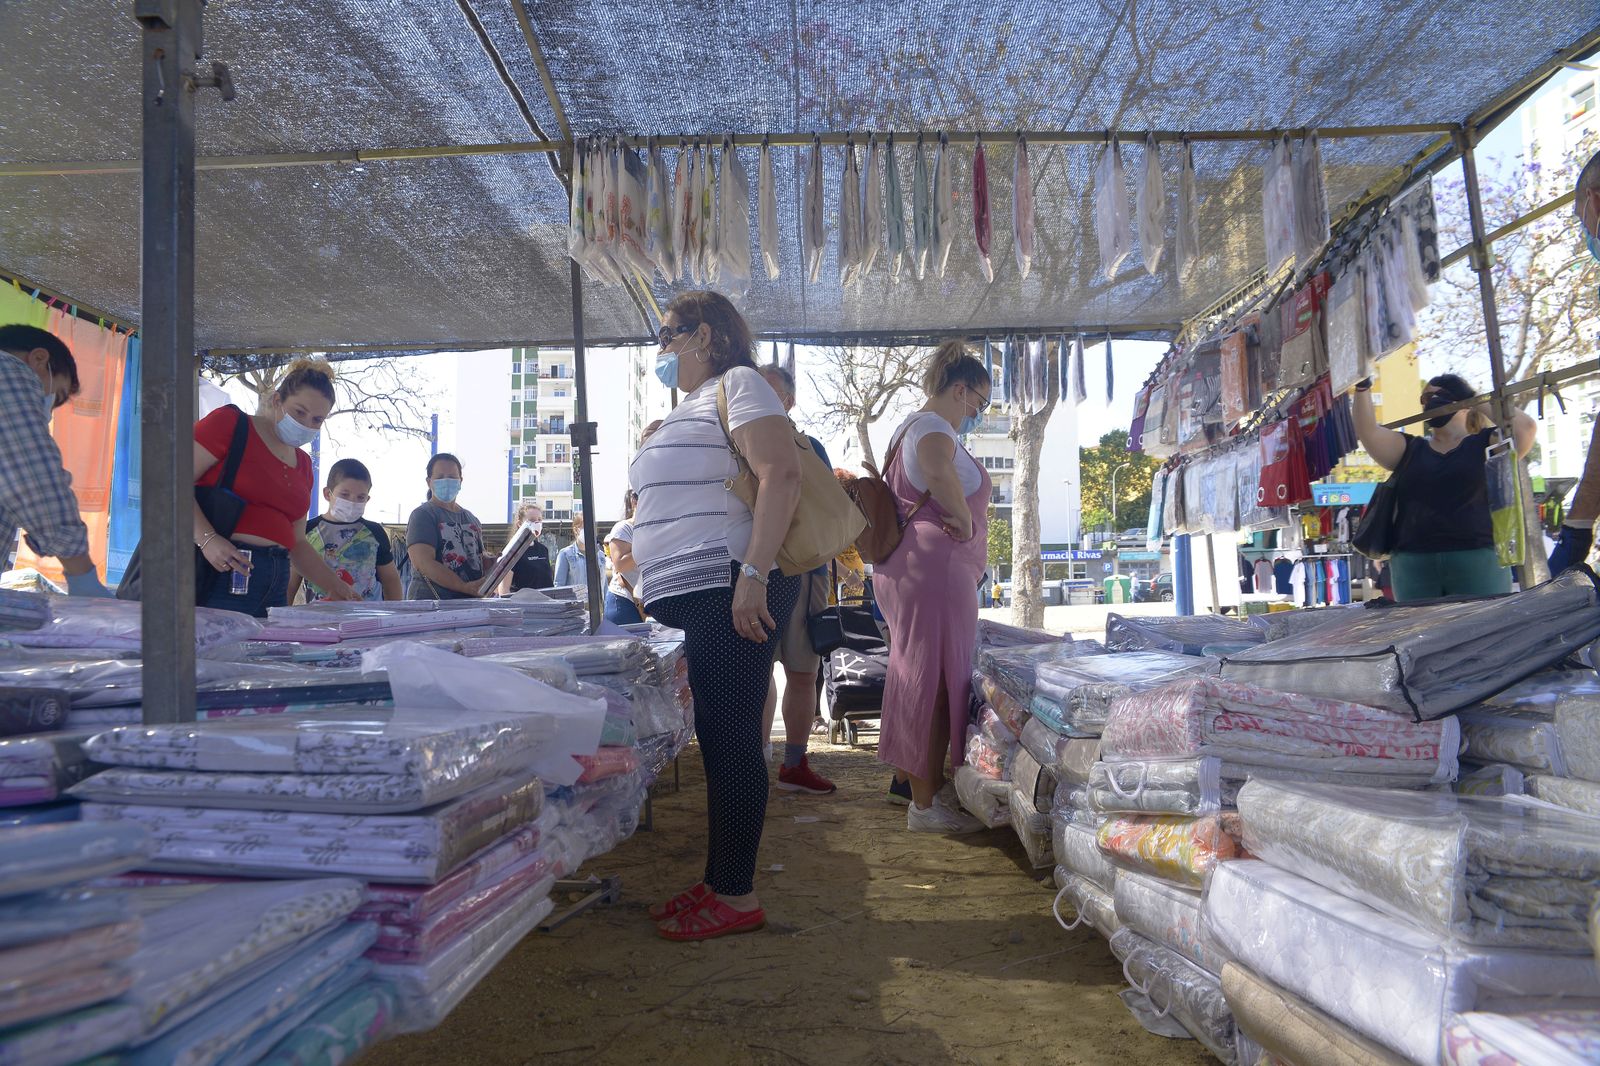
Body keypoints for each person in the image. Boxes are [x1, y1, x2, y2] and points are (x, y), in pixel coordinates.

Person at [628, 290, 801, 941]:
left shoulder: (740, 384)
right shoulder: (690, 406)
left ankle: (736, 893)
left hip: (727, 585)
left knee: (731, 740)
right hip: (694, 593)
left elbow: (781, 474)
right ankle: (719, 879)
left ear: (704, 335)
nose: (660, 349)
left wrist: (752, 575)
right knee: (717, 739)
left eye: (667, 334)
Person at [875, 341, 993, 831]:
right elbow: (938, 466)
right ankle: (925, 805)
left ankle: (920, 791)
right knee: (935, 683)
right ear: (960, 390)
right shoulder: (933, 427)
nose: (977, 414)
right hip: (935, 572)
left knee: (919, 676)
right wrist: (964, 518)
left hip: (914, 571)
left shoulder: (910, 425)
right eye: (979, 403)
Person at [193, 359, 360, 616]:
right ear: (277, 400)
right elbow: (170, 481)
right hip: (220, 572)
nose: (306, 424)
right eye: (299, 412)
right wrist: (207, 540)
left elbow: (298, 543)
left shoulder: (304, 464)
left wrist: (336, 586)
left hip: (276, 581)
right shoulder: (231, 424)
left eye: (317, 420)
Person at [1353, 373, 1535, 601]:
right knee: (1417, 626)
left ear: (1461, 402)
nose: (1429, 403)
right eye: (1424, 399)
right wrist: (1362, 387)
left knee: (1483, 624)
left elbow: (1525, 429)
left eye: (1437, 396)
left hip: (1479, 559)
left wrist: (1474, 399)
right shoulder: (1408, 449)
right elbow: (1368, 431)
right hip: (1414, 564)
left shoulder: (1487, 443)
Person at [756, 364, 836, 796]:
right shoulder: (738, 443)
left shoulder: (810, 447)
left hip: (805, 572)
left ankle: (794, 763)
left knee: (803, 671)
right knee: (757, 672)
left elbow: (828, 511)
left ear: (788, 401)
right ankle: (756, 760)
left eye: (769, 392)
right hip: (753, 573)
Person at [0, 324, 111, 596]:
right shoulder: (8, 370)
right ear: (39, 358)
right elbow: (32, 478)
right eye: (55, 397)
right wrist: (82, 575)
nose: (47, 409)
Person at [287, 458, 402, 603]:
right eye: (345, 495)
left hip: (366, 615)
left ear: (367, 499)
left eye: (360, 497)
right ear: (327, 494)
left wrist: (395, 611)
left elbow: (390, 580)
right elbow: (291, 584)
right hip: (318, 614)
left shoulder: (374, 532)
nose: (352, 502)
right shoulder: (305, 531)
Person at [405, 453, 492, 599]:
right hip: (431, 605)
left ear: (460, 481)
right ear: (429, 482)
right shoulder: (422, 515)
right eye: (440, 477)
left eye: (452, 477)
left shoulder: (472, 519)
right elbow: (423, 562)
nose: (446, 481)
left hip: (470, 604)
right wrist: (463, 587)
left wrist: (492, 563)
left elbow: (478, 557)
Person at [603, 492, 644, 625]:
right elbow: (620, 564)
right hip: (623, 601)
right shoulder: (623, 528)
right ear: (634, 502)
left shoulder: (653, 530)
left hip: (645, 602)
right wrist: (648, 545)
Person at [499, 501, 553, 593]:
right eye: (531, 520)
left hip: (545, 600)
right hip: (522, 601)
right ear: (520, 524)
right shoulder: (512, 551)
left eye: (539, 519)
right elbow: (504, 590)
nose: (537, 523)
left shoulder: (543, 550)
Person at [553, 514, 590, 591]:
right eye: (584, 527)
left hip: (597, 599)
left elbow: (604, 586)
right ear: (576, 530)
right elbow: (559, 585)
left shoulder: (599, 555)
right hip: (575, 599)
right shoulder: (565, 554)